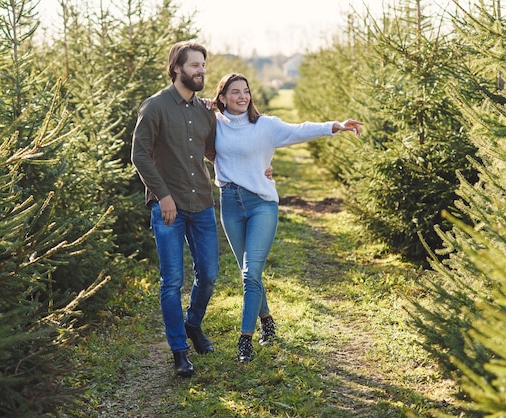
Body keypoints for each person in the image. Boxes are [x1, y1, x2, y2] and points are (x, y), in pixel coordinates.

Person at [211, 73, 363, 363]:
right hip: (229, 204)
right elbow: (198, 134)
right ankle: (267, 319)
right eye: (234, 92)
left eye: (246, 91)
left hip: (261, 204)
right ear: (222, 97)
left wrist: (337, 126)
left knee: (249, 273)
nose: (242, 97)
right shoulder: (214, 123)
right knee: (249, 272)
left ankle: (246, 341)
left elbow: (300, 130)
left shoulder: (265, 125)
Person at [131, 41, 219, 377]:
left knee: (209, 275)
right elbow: (139, 155)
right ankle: (180, 351)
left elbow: (214, 154)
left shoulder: (204, 112)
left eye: (203, 66)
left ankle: (193, 324)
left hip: (202, 205)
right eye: (194, 65)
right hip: (169, 207)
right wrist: (162, 196)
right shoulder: (155, 107)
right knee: (172, 282)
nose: (200, 71)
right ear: (176, 68)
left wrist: (258, 166)